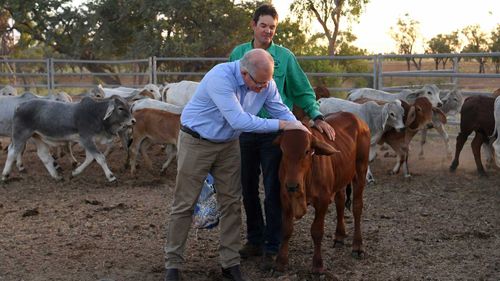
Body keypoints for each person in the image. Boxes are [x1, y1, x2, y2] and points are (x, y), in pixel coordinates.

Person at [164, 48, 310, 281]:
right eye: (259, 83)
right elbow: (240, 119)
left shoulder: (265, 81)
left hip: (229, 143)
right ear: (244, 73)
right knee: (185, 202)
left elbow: (278, 108)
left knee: (231, 202)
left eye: (267, 82)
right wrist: (283, 126)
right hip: (197, 140)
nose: (264, 88)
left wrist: (298, 127)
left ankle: (229, 264)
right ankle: (173, 264)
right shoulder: (219, 78)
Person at [229, 3, 336, 271]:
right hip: (245, 130)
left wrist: (317, 116)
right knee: (247, 187)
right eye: (263, 25)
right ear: (253, 26)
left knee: (273, 188)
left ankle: (272, 244)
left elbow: (301, 90)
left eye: (272, 27)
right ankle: (254, 238)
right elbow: (230, 90)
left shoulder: (285, 58)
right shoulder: (238, 54)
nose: (267, 31)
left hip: (276, 133)